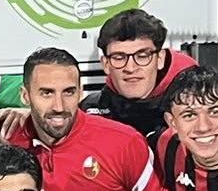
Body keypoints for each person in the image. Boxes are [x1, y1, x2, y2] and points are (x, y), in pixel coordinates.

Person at [5, 48, 184, 191]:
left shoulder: (122, 142)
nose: (59, 106)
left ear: (80, 92)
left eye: (69, 92)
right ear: (25, 96)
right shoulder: (10, 143)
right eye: (46, 93)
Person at [81, 9, 198, 141]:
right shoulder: (88, 112)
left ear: (160, 59)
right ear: (105, 64)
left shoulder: (196, 109)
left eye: (142, 56)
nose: (130, 68)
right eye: (119, 57)